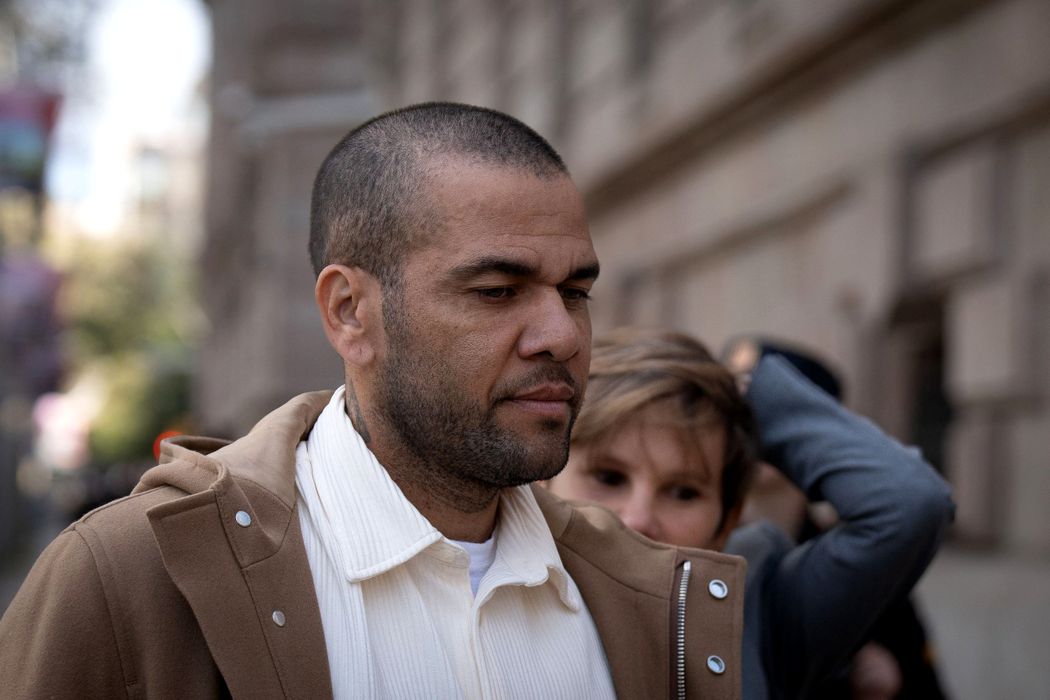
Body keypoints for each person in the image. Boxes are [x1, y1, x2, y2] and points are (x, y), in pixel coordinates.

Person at [0, 104, 746, 699]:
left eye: (575, 292)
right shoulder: (129, 577)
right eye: (497, 291)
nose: (562, 335)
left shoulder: (647, 594)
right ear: (350, 312)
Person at [546, 327, 955, 699]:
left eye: (684, 492)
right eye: (609, 477)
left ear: (726, 521)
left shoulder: (758, 616)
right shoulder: (506, 586)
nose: (637, 519)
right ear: (545, 481)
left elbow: (911, 503)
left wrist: (741, 395)